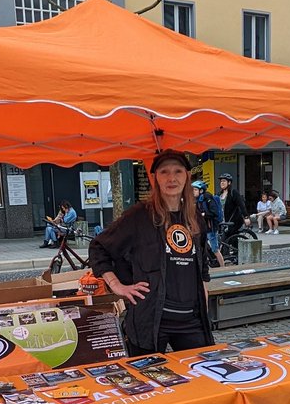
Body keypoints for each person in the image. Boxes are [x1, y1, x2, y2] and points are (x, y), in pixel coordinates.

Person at [89, 149, 214, 354]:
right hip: (151, 320)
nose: (171, 178)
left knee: (202, 376)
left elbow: (201, 266)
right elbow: (99, 247)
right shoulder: (139, 216)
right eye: (164, 172)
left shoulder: (194, 218)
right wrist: (117, 286)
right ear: (155, 178)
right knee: (149, 383)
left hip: (191, 321)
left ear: (187, 176)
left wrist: (204, 298)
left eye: (178, 171)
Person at [191, 179, 224, 260]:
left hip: (211, 228)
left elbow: (214, 213)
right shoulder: (198, 200)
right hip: (204, 228)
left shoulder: (207, 198)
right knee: (201, 246)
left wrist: (204, 214)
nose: (193, 191)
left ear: (201, 190)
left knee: (215, 250)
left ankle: (223, 267)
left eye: (195, 189)